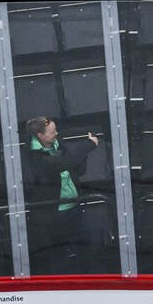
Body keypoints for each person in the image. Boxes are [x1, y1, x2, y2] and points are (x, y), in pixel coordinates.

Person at [21, 115, 101, 270]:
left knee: (86, 252)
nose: (56, 133)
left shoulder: (59, 144)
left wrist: (79, 158)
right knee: (58, 257)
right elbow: (62, 164)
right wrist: (88, 145)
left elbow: (77, 168)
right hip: (52, 214)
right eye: (52, 132)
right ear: (40, 136)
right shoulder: (31, 156)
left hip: (75, 206)